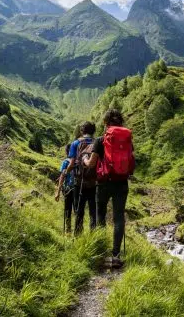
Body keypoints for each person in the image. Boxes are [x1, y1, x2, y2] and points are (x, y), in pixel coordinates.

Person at [84, 109, 134, 268]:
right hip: (121, 183)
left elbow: (91, 164)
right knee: (119, 218)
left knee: (101, 215)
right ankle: (116, 255)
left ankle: (101, 251)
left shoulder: (100, 140)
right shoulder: (127, 141)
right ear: (121, 123)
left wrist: (85, 159)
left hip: (104, 182)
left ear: (106, 123)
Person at [64, 121, 97, 236]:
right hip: (94, 182)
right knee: (93, 212)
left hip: (79, 182)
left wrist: (65, 172)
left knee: (79, 210)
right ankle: (94, 236)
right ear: (93, 131)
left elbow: (72, 163)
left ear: (82, 131)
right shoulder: (97, 143)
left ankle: (78, 236)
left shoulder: (76, 143)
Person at [55, 144, 75, 234]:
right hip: (78, 189)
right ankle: (78, 231)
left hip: (67, 189)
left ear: (67, 152)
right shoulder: (78, 162)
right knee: (78, 210)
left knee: (67, 209)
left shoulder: (66, 162)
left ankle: (68, 230)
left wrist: (58, 192)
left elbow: (62, 177)